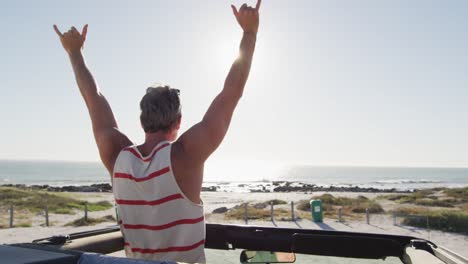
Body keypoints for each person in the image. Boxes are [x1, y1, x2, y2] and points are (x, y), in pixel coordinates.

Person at [53, 1, 261, 263]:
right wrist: (249, 33)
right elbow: (231, 93)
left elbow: (92, 97)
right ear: (178, 121)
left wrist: (74, 53)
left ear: (142, 121)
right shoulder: (186, 154)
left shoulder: (116, 155)